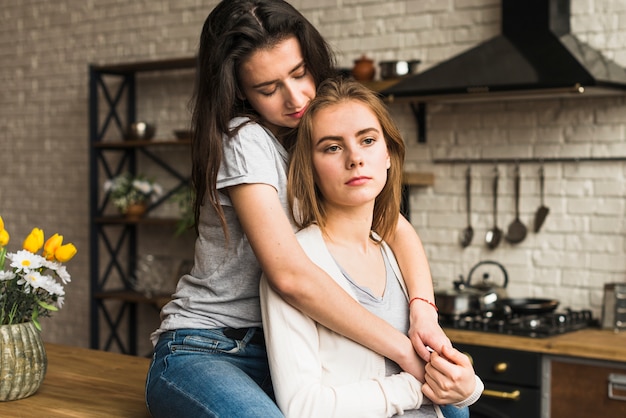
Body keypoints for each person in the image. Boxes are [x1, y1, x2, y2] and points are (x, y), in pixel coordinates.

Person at [146, 1, 451, 417]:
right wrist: (403, 350)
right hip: (211, 348)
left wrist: (423, 312)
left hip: (289, 352)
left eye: (300, 73)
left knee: (451, 404)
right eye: (268, 89)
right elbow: (288, 275)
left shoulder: (315, 138)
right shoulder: (244, 138)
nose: (295, 98)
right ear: (238, 91)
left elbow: (394, 225)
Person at [260, 77, 483, 417]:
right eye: (332, 147)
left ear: (389, 154)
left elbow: (444, 372)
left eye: (367, 140)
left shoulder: (396, 257)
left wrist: (468, 387)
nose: (355, 159)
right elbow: (304, 409)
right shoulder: (297, 263)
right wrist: (417, 386)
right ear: (311, 168)